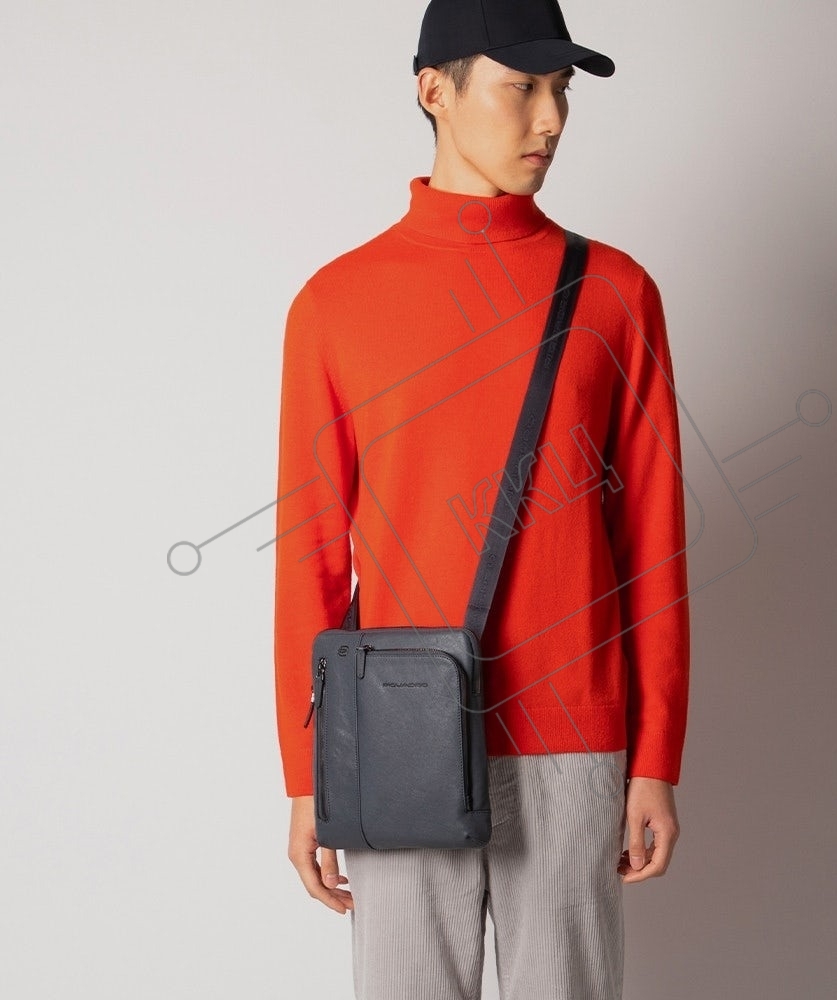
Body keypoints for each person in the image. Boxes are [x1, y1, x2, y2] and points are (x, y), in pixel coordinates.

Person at [273, 1, 691, 997]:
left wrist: (655, 755)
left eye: (562, 90)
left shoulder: (616, 292)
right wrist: (308, 771)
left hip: (575, 734)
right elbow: (310, 558)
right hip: (396, 736)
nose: (550, 118)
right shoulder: (335, 303)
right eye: (521, 86)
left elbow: (653, 541)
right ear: (435, 91)